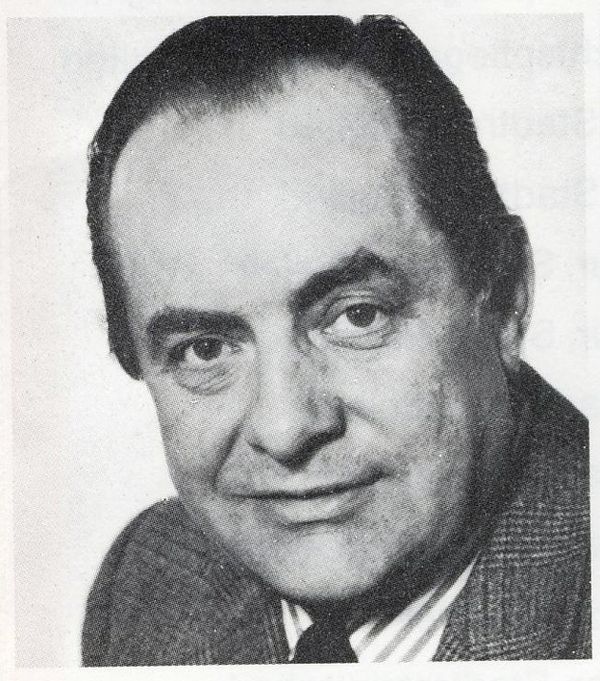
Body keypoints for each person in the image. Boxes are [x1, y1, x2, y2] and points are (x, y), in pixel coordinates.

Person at [81, 15, 590, 664]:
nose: (287, 428)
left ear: (504, 296)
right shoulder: (153, 580)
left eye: (357, 316)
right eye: (204, 348)